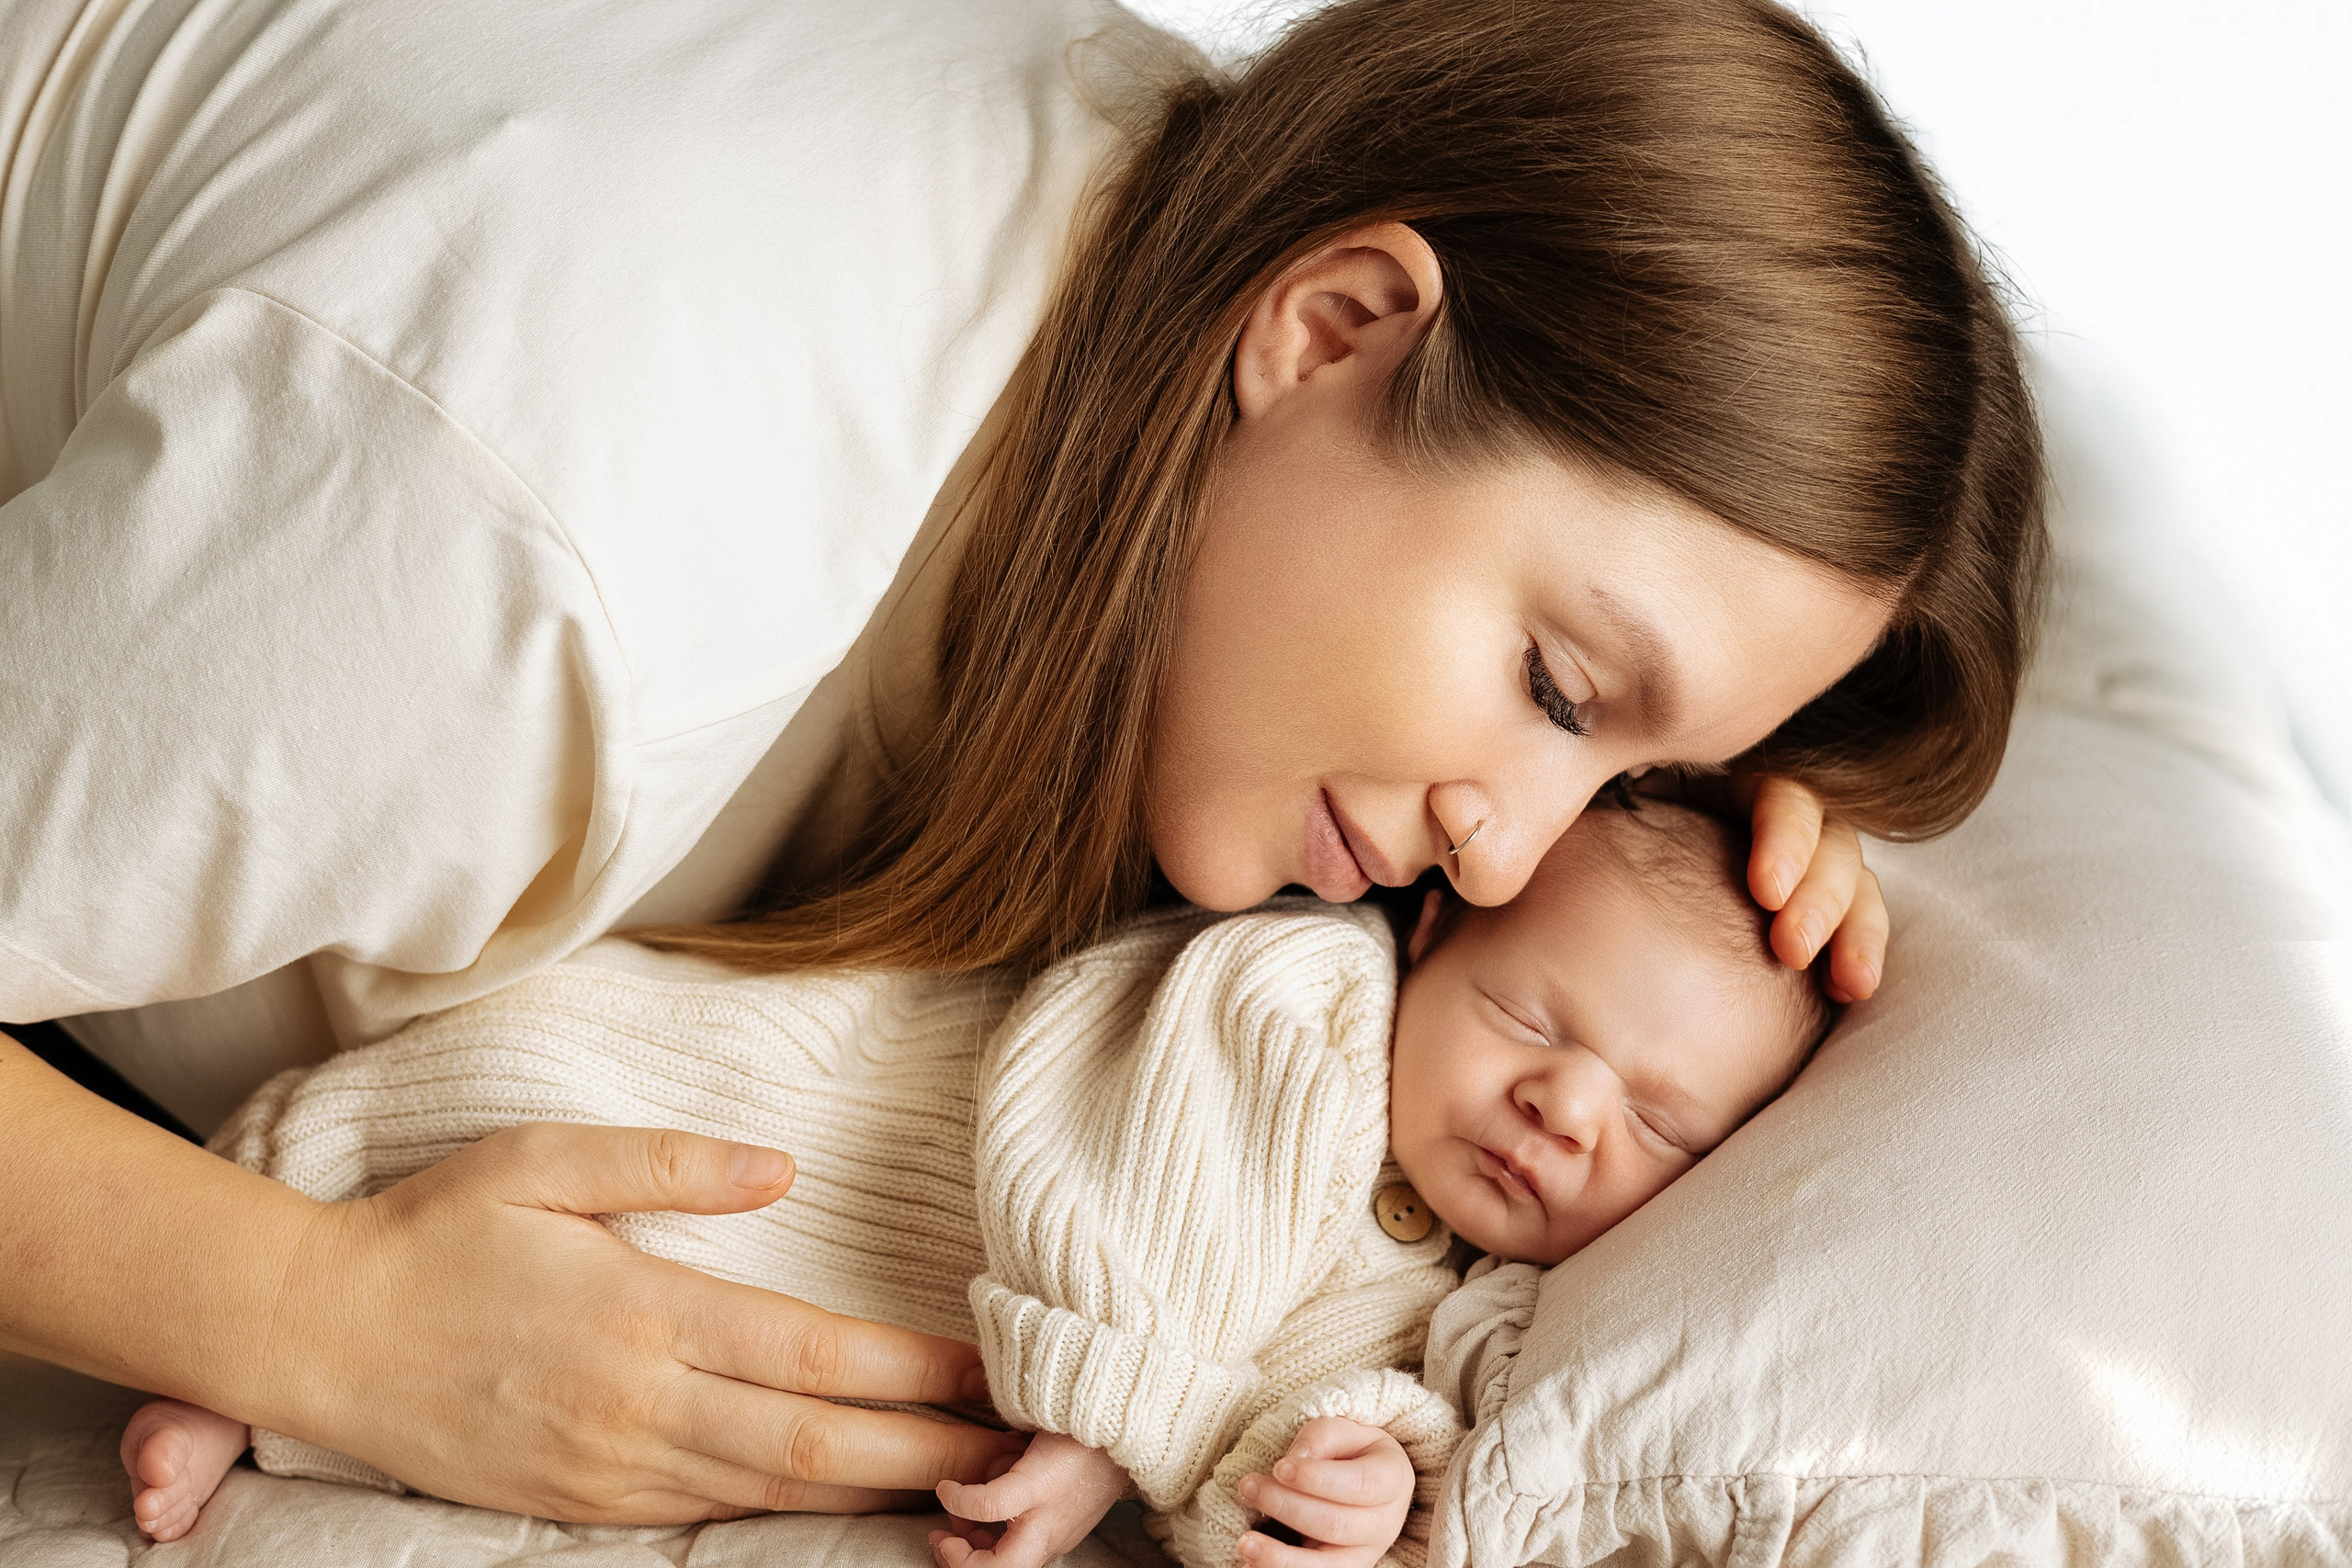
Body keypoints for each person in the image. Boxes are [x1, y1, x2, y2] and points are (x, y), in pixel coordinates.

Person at [0, 0, 2041, 1524]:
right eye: (1558, 682)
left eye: (1620, 768)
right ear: (1332, 326)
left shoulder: (1177, 347)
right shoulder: (546, 561)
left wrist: (1673, 892)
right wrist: (317, 1317)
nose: (1506, 861)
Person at [118, 801, 1830, 1567]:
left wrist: (1348, 1492)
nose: (1564, 1105)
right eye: (1536, 1019)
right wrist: (1104, 1426)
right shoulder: (1303, 998)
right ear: (1439, 932)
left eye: (1661, 1128)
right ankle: (242, 1276)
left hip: (829, 1310)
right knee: (520, 1102)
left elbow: (1314, 1405)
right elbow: (1156, 1193)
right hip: (832, 1121)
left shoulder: (1475, 1294)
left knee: (554, 1367)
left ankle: (260, 1399)